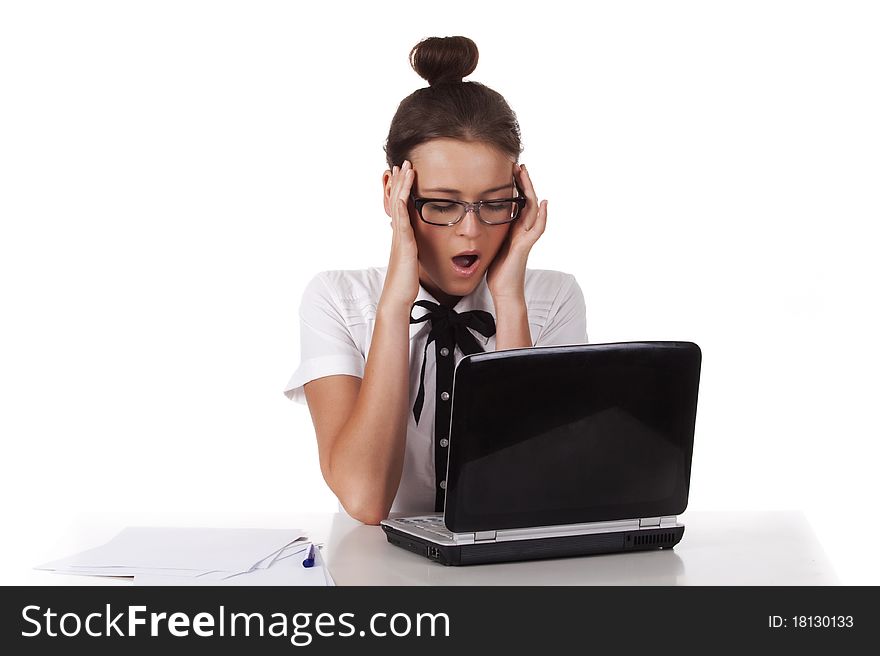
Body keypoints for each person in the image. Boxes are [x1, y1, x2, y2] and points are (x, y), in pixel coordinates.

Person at [283, 36, 588, 525]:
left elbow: (528, 486)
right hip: (372, 571)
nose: (471, 230)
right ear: (395, 194)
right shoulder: (336, 299)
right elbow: (365, 499)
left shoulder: (552, 299)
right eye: (442, 205)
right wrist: (395, 304)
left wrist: (509, 300)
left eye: (494, 204)